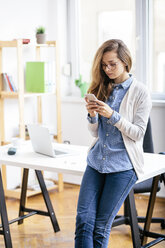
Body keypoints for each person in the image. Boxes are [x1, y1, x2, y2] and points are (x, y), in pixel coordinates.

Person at [74, 39, 152, 248]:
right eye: (103, 65)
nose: (107, 69)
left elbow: (137, 134)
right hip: (96, 162)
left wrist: (113, 115)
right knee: (83, 221)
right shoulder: (101, 87)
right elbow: (95, 133)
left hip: (123, 167)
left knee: (100, 226)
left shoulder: (141, 92)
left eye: (112, 64)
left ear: (125, 62)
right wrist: (92, 116)